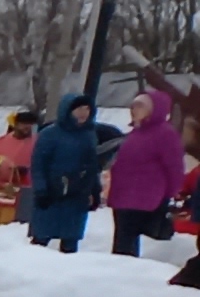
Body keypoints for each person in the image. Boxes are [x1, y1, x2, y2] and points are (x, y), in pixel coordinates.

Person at [22, 91, 109, 250]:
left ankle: (67, 270)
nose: (83, 113)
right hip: (52, 193)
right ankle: (31, 268)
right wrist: (41, 190)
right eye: (78, 109)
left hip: (77, 195)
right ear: (68, 111)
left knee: (71, 238)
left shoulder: (89, 135)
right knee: (41, 238)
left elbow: (92, 165)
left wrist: (94, 190)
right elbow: (38, 164)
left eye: (86, 109)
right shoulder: (50, 134)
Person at [102, 84, 183, 255]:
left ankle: (128, 271)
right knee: (122, 238)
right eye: (133, 106)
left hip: (145, 198)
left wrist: (171, 192)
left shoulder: (164, 134)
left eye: (140, 106)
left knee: (127, 239)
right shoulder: (135, 133)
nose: (134, 110)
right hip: (123, 195)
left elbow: (174, 167)